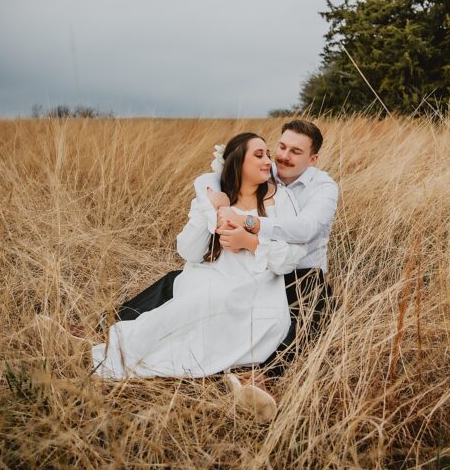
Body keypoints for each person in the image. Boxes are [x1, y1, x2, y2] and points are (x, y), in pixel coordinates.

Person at [92, 133, 307, 421]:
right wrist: (211, 210)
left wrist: (249, 242)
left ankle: (244, 376)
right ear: (237, 162)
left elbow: (292, 256)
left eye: (268, 154)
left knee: (227, 306)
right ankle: (114, 355)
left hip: (258, 286)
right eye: (259, 155)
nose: (268, 161)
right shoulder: (213, 197)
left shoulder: (280, 199)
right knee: (190, 307)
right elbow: (189, 251)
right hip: (209, 277)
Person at [115, 120, 338, 378]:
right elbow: (215, 177)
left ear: (312, 159)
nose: (282, 157)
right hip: (241, 269)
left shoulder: (322, 188)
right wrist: (211, 203)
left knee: (310, 305)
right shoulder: (266, 170)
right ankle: (117, 322)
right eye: (281, 147)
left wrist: (247, 226)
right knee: (183, 283)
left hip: (300, 271)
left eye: (295, 152)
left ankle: (265, 374)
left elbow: (306, 229)